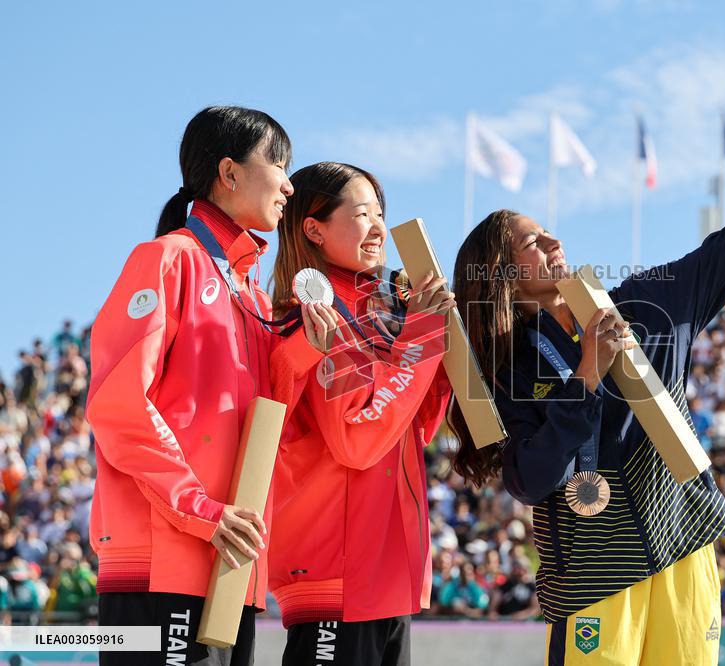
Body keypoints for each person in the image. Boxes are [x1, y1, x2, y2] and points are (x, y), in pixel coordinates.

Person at [450, 73, 725, 664]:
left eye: (546, 229)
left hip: (683, 544)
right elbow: (529, 479)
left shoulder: (647, 304)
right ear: (502, 275)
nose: (551, 237)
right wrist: (586, 374)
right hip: (594, 569)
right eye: (529, 240)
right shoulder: (505, 370)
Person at [86, 106, 325, 665]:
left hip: (229, 560)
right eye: (279, 165)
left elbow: (268, 418)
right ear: (230, 172)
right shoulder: (166, 259)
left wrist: (308, 347)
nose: (290, 185)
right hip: (160, 562)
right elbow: (118, 405)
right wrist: (200, 508)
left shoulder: (253, 294)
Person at [268, 162, 453, 665]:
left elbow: (412, 430)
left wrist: (437, 346)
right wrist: (420, 339)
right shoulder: (310, 318)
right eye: (363, 213)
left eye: (381, 213)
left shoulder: (381, 313)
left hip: (386, 575)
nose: (378, 227)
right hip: (336, 577)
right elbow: (359, 437)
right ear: (314, 228)